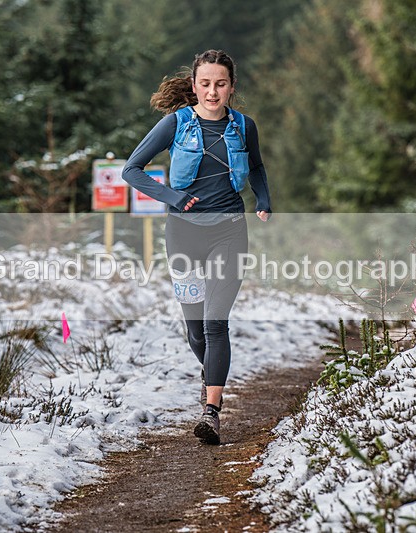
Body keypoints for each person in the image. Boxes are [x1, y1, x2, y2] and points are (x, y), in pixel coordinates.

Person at [122, 49, 271, 445]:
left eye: (220, 83)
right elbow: (131, 170)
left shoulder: (244, 126)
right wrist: (171, 197)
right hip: (183, 234)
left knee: (215, 322)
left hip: (230, 231)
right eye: (205, 83)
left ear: (231, 87)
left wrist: (264, 199)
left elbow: (255, 166)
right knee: (195, 333)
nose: (212, 91)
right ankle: (211, 373)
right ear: (193, 86)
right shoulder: (175, 124)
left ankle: (212, 412)